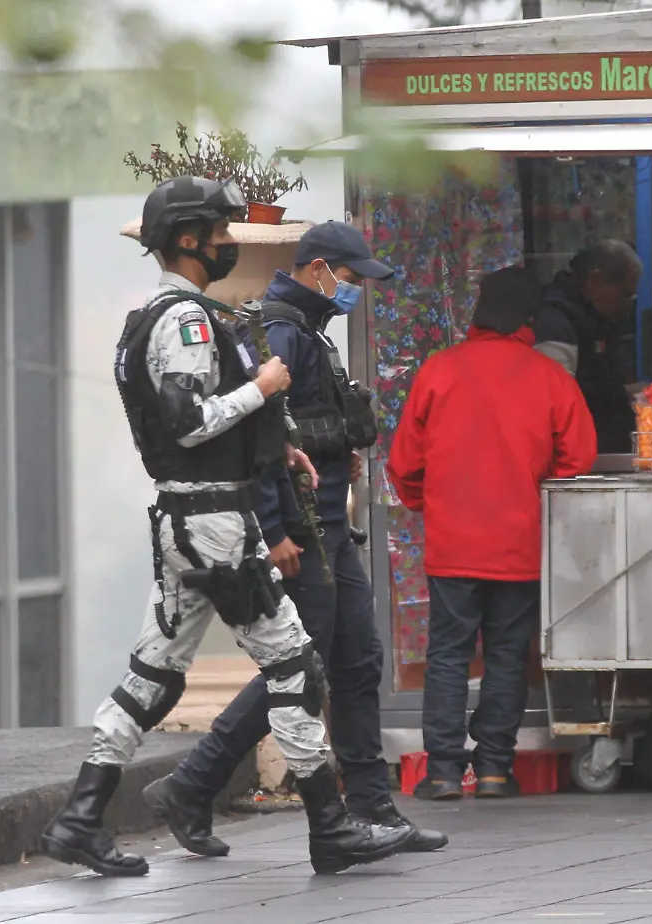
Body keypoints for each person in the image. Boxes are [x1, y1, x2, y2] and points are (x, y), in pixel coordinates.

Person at [39, 177, 412, 878]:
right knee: (296, 666)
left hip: (185, 519)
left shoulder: (164, 316)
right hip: (215, 519)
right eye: (217, 232)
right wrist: (263, 389)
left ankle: (81, 817)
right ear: (187, 239)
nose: (228, 242)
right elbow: (191, 422)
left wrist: (278, 441)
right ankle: (329, 827)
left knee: (154, 674)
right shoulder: (186, 321)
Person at [146, 221, 448, 857]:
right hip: (304, 531)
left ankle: (371, 807)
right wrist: (276, 530)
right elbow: (253, 441)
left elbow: (307, 427)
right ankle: (195, 782)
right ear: (318, 270)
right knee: (299, 668)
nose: (358, 291)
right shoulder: (282, 328)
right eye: (353, 278)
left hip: (328, 525)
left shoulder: (308, 328)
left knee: (358, 660)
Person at [388, 266, 599, 800]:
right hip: (519, 543)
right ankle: (494, 771)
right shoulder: (551, 378)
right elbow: (578, 461)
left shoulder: (438, 372)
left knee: (448, 654)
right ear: (530, 319)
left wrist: (429, 504)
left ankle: (440, 771)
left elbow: (403, 463)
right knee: (507, 654)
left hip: (453, 542)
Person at [533, 240, 643, 457]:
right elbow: (556, 403)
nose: (627, 304)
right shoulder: (555, 320)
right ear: (596, 279)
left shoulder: (596, 315)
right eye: (625, 294)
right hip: (583, 457)